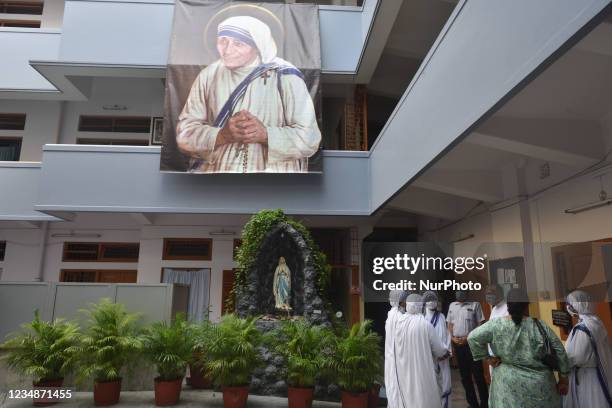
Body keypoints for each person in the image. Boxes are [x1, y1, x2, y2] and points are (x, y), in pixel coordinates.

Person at [176, 15, 321, 173]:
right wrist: (222, 135)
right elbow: (184, 134)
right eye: (223, 41)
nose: (227, 50)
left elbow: (310, 138)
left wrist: (265, 134)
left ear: (257, 46)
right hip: (219, 183)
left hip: (275, 184)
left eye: (238, 43)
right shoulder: (208, 75)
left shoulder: (286, 75)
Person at [467, 288, 570, 408]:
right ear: (526, 306)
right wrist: (563, 378)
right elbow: (560, 350)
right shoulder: (539, 325)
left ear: (508, 306)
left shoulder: (495, 325)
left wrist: (488, 358)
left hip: (507, 387)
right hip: (540, 388)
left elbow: (472, 337)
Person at [387, 293, 449, 408]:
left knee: (407, 398)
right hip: (422, 370)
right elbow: (440, 350)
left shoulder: (399, 323)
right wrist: (446, 352)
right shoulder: (425, 325)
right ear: (421, 306)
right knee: (423, 397)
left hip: (403, 371)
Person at [563, 290, 612, 408]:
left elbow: (577, 356)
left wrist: (561, 360)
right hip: (597, 372)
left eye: (570, 304)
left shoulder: (582, 328)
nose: (568, 307)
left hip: (587, 378)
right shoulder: (596, 322)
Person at [447, 290, 488, 408]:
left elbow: (481, 324)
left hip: (472, 344)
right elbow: (449, 324)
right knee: (465, 377)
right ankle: (473, 404)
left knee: (478, 376)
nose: (459, 293)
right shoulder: (452, 306)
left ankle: (485, 404)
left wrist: (469, 338)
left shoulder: (475, 305)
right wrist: (452, 338)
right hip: (458, 345)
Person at [423, 291, 452, 408]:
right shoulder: (422, 318)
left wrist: (446, 351)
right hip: (429, 358)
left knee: (445, 382)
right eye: (428, 300)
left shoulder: (441, 316)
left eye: (433, 299)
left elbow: (446, 335)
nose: (431, 302)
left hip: (443, 357)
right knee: (431, 384)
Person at [385, 289, 408, 407]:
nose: (406, 302)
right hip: (398, 358)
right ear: (401, 301)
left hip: (390, 357)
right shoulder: (400, 317)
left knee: (392, 386)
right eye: (405, 300)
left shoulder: (390, 314)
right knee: (399, 388)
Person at [485, 284, 508, 379]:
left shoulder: (507, 308)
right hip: (492, 355)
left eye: (490, 293)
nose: (488, 296)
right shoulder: (494, 308)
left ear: (499, 294)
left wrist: (500, 356)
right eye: (486, 293)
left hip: (502, 357)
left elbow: (507, 334)